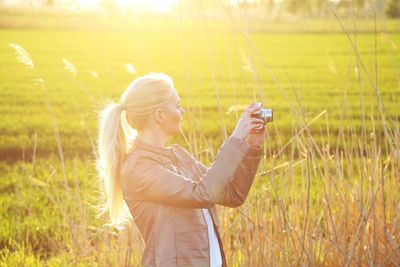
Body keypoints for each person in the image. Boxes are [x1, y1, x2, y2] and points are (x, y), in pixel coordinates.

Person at [96, 72, 266, 267]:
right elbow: (203, 193)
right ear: (160, 115)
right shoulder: (138, 168)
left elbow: (233, 194)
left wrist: (251, 146)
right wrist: (235, 139)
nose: (181, 111)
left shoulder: (179, 156)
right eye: (177, 105)